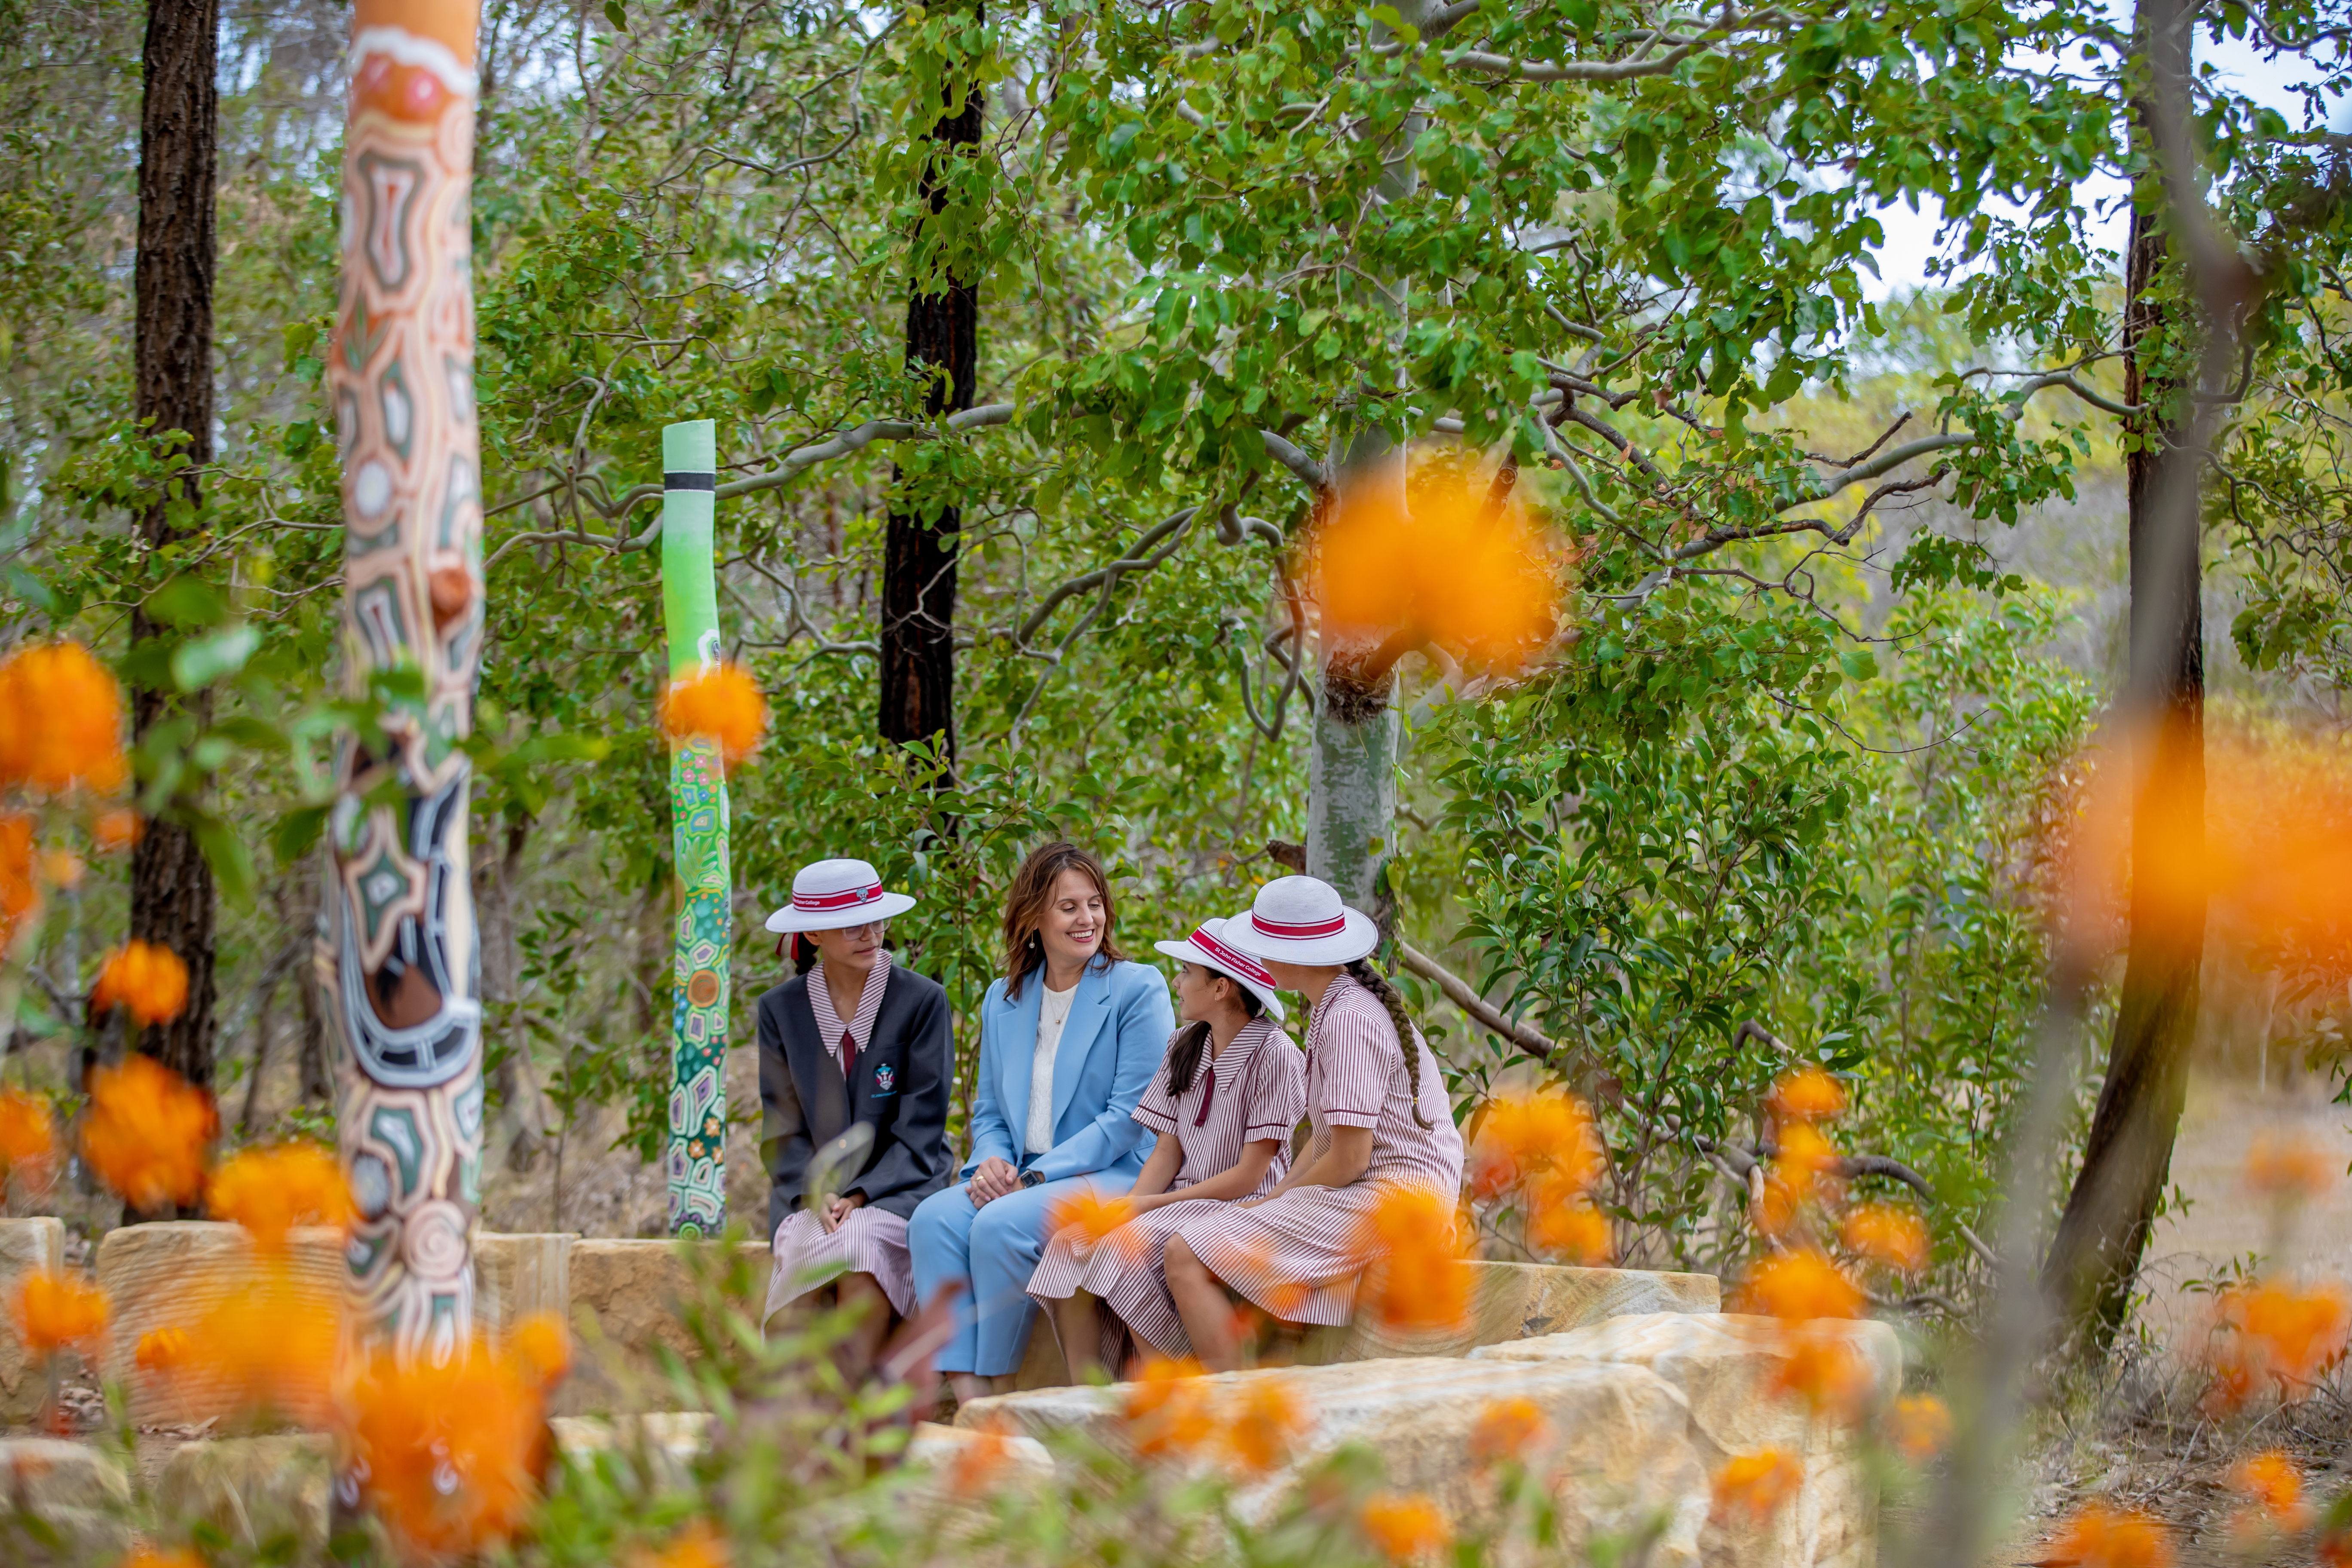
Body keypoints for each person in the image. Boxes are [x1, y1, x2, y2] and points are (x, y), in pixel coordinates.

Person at [907, 841, 1176, 1406]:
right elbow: (989, 1111)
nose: (1088, 919)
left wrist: (1033, 1178)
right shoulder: (1002, 999)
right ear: (1033, 918)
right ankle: (969, 1394)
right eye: (1069, 907)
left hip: (1113, 1173)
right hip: (1022, 1175)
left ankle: (1002, 1395)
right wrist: (991, 1167)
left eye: (1095, 903)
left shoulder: (1137, 988)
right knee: (932, 1220)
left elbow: (1127, 1120)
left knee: (999, 1226)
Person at [1164, 874, 1465, 1372]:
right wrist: (1276, 1197)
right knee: (1228, 1229)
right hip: (1379, 1191)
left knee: (1185, 1253)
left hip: (1400, 1204)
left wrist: (1276, 1202)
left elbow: (1349, 1159)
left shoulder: (1349, 1019)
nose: (1255, 958)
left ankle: (1235, 1416)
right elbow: (1327, 1141)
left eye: (1263, 945)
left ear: (1291, 954)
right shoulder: (1335, 1007)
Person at [1027, 914, 1305, 1378]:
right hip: (1178, 1203)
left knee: (1123, 1248)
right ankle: (1088, 1397)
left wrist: (1149, 1205)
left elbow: (1250, 1176)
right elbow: (1166, 1153)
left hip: (1242, 1206)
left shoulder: (1276, 1054)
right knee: (1069, 1243)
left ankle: (1168, 1395)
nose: (1176, 983)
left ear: (1221, 988)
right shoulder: (1184, 1045)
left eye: (1187, 973)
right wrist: (1132, 1202)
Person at [758, 857, 953, 1380]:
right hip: (810, 1194)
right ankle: (798, 1417)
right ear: (815, 933)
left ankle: (849, 1414)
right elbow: (782, 1128)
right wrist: (815, 1191)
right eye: (852, 925)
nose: (872, 934)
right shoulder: (780, 1010)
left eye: (877, 919)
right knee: (812, 1246)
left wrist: (861, 1194)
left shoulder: (922, 1000)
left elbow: (923, 1124)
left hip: (902, 1184)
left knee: (859, 1244)